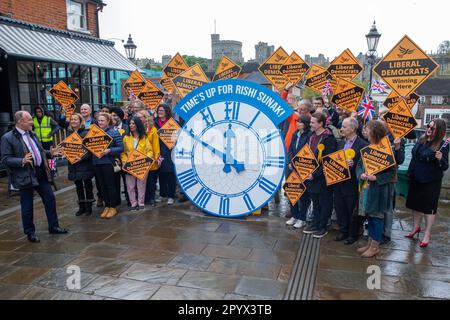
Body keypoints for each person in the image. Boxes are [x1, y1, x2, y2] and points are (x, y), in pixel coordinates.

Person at [1, 111, 68, 243]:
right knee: (27, 205)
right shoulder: (8, 138)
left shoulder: (32, 133)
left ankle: (53, 226)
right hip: (25, 175)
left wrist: (51, 153)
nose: (32, 122)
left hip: (40, 173)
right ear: (20, 122)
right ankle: (30, 232)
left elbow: (39, 151)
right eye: (29, 120)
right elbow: (5, 159)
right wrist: (21, 160)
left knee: (50, 199)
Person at [405, 119, 449, 248]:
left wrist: (441, 159)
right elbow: (414, 156)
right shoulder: (422, 139)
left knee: (429, 208)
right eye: (428, 126)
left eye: (433, 128)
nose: (429, 129)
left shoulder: (442, 145)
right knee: (415, 205)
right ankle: (415, 228)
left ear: (439, 130)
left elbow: (445, 166)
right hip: (416, 177)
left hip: (431, 181)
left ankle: (427, 233)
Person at [356, 120, 396, 258]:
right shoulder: (368, 147)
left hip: (378, 190)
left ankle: (375, 246)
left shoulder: (386, 150)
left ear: (374, 132)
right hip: (366, 188)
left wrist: (376, 179)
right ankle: (370, 242)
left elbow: (391, 173)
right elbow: (359, 165)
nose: (364, 131)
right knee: (370, 216)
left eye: (367, 129)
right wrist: (360, 174)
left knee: (377, 217)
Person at [333, 117, 368, 244]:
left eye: (344, 126)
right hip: (338, 181)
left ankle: (352, 235)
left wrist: (354, 165)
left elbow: (364, 166)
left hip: (353, 183)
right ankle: (343, 231)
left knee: (351, 209)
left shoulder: (363, 144)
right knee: (340, 207)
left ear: (353, 128)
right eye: (342, 126)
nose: (341, 129)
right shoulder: (340, 143)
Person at [303, 112, 337, 238]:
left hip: (322, 177)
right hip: (310, 176)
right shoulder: (311, 136)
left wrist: (315, 174)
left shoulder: (328, 138)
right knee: (315, 202)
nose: (310, 124)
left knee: (324, 202)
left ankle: (323, 226)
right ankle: (316, 224)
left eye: (313, 122)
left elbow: (328, 161)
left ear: (321, 123)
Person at [378, 106, 406, 244]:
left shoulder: (397, 137)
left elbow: (400, 159)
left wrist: (397, 147)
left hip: (389, 177)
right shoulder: (377, 135)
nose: (380, 121)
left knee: (387, 206)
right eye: (379, 118)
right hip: (376, 175)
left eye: (383, 119)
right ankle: (376, 230)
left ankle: (386, 233)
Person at [92, 112, 124, 219]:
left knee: (110, 185)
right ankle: (107, 206)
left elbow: (121, 147)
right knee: (102, 186)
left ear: (108, 122)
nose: (100, 122)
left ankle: (113, 207)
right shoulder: (95, 132)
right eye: (99, 120)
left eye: (102, 121)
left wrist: (109, 150)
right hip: (97, 162)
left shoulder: (114, 132)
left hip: (108, 162)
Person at [63, 113, 95, 216]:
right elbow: (68, 147)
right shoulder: (69, 133)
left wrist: (80, 158)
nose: (73, 121)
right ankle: (81, 207)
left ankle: (89, 207)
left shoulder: (85, 133)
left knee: (87, 185)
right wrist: (65, 153)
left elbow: (89, 150)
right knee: (78, 186)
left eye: (76, 119)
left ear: (80, 121)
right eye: (72, 119)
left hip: (84, 164)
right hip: (73, 165)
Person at [121, 116, 154, 210]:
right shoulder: (126, 137)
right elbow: (123, 152)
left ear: (138, 125)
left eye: (133, 123)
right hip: (129, 165)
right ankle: (133, 203)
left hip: (142, 165)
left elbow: (150, 150)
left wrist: (147, 159)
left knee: (141, 185)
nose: (131, 125)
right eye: (130, 123)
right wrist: (125, 162)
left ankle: (141, 203)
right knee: (130, 186)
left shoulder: (144, 137)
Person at [286, 115, 312, 229]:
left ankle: (302, 218)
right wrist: (291, 161)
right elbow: (291, 148)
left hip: (303, 167)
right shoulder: (295, 134)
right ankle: (294, 215)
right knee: (292, 191)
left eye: (300, 122)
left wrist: (297, 163)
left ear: (305, 124)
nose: (298, 124)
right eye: (297, 122)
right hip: (293, 167)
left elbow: (306, 151)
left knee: (304, 195)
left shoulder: (309, 135)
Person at [137, 110, 161, 206]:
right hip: (139, 160)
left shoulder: (152, 129)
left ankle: (151, 198)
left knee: (151, 181)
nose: (138, 119)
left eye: (140, 117)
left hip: (151, 160)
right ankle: (144, 198)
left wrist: (156, 158)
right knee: (142, 182)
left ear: (145, 117)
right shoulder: (136, 128)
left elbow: (156, 145)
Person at [154, 103, 177, 205]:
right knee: (161, 174)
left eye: (161, 111)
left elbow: (178, 136)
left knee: (170, 174)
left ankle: (171, 195)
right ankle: (163, 194)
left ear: (167, 112)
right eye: (158, 111)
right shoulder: (154, 123)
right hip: (158, 150)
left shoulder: (173, 123)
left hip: (170, 151)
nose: (159, 113)